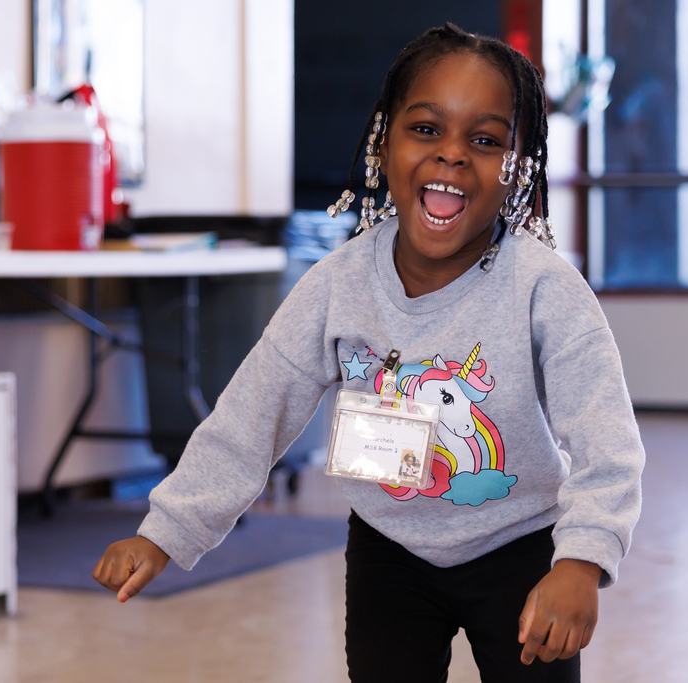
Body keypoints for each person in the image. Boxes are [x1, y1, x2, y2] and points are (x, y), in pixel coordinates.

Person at [92, 23, 644, 682]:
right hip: (389, 551)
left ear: (517, 169)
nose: (452, 154)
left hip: (520, 546)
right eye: (426, 129)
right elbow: (252, 413)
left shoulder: (544, 288)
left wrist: (581, 560)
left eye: (486, 140)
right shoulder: (337, 284)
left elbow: (607, 442)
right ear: (384, 143)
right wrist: (167, 529)